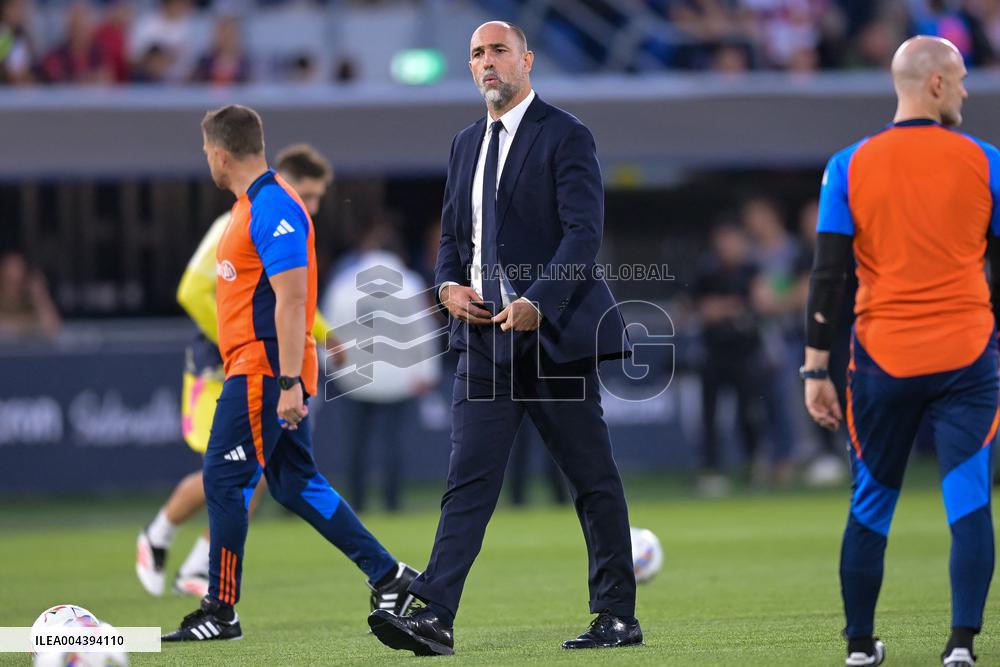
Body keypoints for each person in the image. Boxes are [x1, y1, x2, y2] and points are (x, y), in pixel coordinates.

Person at [367, 21, 641, 656]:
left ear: (527, 60)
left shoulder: (566, 134)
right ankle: (435, 616)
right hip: (484, 339)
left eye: (497, 51)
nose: (486, 63)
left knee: (591, 478)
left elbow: (583, 236)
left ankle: (617, 615)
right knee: (468, 479)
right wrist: (445, 288)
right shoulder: (465, 144)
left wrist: (537, 303)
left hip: (554, 338)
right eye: (476, 55)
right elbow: (452, 242)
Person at [161, 105, 417, 642]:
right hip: (256, 367)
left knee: (223, 479)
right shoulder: (249, 205)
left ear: (220, 152)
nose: (206, 159)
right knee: (297, 484)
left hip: (261, 371)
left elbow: (293, 299)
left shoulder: (274, 205)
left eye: (206, 151)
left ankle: (220, 610)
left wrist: (286, 383)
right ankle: (390, 576)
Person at [803, 36, 1000, 667]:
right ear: (936, 84)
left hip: (882, 361)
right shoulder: (988, 162)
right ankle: (961, 646)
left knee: (871, 502)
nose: (967, 90)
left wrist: (814, 369)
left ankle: (861, 647)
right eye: (963, 78)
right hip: (968, 357)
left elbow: (827, 275)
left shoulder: (847, 165)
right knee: (968, 499)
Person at [136, 143, 343, 599]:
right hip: (218, 368)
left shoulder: (283, 220)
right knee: (235, 468)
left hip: (250, 364)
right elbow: (192, 291)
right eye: (306, 195)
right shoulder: (240, 219)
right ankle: (159, 535)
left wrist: (326, 336)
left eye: (317, 200)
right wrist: (238, 342)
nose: (311, 207)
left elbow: (291, 302)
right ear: (283, 181)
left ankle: (196, 564)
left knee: (253, 469)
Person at [322, 219, 441, 513]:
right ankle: (392, 503)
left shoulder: (344, 283)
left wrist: (330, 367)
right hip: (399, 377)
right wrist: (426, 372)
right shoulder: (409, 281)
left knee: (355, 445)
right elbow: (423, 331)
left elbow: (329, 328)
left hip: (354, 376)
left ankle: (357, 504)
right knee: (393, 444)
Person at [693, 221, 768, 496]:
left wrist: (722, 308)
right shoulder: (706, 271)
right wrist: (728, 308)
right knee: (710, 416)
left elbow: (763, 302)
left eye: (732, 240)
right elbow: (697, 309)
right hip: (714, 354)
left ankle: (754, 465)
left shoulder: (751, 270)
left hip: (746, 353)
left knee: (750, 412)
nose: (727, 247)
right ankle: (711, 470)